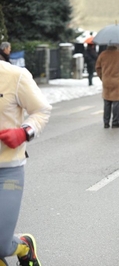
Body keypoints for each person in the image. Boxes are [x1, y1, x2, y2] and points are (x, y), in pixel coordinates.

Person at [0, 60, 52, 266]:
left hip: (7, 171)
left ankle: (24, 245)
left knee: (2, 244)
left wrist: (24, 132)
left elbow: (41, 110)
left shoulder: (15, 75)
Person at [95, 44, 119, 128]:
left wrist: (102, 77)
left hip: (106, 80)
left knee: (107, 102)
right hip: (117, 81)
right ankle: (115, 121)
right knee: (116, 102)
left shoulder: (103, 54)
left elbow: (98, 67)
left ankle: (106, 122)